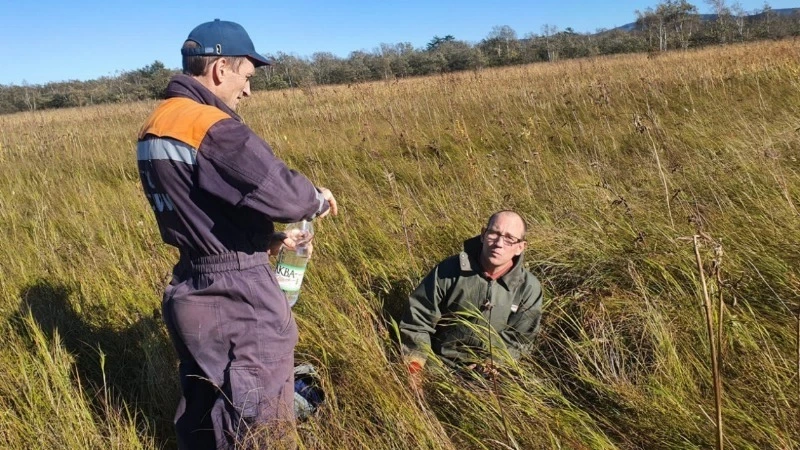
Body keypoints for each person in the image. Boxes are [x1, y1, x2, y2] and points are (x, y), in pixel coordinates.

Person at [136, 19, 337, 449]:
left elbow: (200, 210)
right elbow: (281, 190)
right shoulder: (209, 125)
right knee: (260, 423)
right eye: (246, 77)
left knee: (204, 410)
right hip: (238, 298)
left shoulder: (156, 124)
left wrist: (267, 241)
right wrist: (316, 200)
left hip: (191, 285)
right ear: (219, 70)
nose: (248, 91)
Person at [398, 211, 542, 387]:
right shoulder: (448, 271)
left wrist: (494, 363)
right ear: (483, 234)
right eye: (494, 234)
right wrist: (415, 368)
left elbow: (520, 339)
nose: (498, 244)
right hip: (438, 365)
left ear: (520, 246)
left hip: (490, 374)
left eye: (509, 238)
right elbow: (417, 321)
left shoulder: (528, 287)